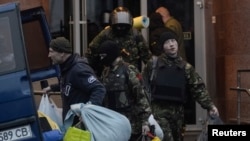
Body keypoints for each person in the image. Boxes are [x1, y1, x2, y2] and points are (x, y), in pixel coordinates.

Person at [142, 31, 219, 141]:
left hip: (178, 114)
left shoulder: (185, 67)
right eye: (167, 42)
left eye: (173, 41)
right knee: (166, 138)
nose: (172, 44)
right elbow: (143, 87)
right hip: (159, 111)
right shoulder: (154, 64)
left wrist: (210, 106)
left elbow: (198, 88)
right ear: (163, 47)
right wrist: (145, 114)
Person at [42, 37, 106, 124]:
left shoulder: (78, 69)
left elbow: (99, 89)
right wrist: (52, 88)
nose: (49, 55)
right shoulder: (66, 68)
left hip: (83, 126)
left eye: (51, 51)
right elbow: (70, 84)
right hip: (73, 125)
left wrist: (88, 111)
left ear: (62, 53)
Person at [98, 40, 152, 141]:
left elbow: (141, 98)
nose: (101, 59)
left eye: (103, 56)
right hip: (112, 125)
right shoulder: (105, 72)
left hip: (130, 126)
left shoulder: (129, 70)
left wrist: (145, 122)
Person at [86, 6, 151, 75]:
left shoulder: (135, 35)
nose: (121, 29)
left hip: (131, 75)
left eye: (124, 26)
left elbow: (146, 55)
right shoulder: (106, 34)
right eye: (118, 26)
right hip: (109, 75)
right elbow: (91, 52)